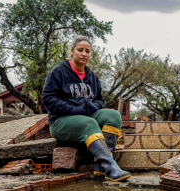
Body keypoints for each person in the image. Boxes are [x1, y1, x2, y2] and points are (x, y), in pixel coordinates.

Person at [43, 35, 130, 181]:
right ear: (72, 51)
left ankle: (100, 168)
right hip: (61, 122)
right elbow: (48, 99)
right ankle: (110, 167)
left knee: (113, 115)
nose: (84, 54)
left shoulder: (92, 77)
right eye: (80, 50)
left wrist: (88, 108)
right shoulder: (59, 72)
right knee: (89, 123)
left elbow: (99, 100)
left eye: (87, 51)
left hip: (86, 118)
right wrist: (75, 109)